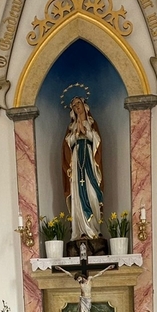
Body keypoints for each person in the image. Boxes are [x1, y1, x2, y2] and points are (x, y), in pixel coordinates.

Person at [63, 95, 103, 239]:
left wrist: (86, 132)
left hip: (89, 159)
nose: (77, 107)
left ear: (84, 105)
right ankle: (80, 230)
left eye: (78, 103)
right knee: (77, 193)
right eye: (74, 105)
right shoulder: (71, 127)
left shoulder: (91, 123)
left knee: (91, 191)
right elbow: (67, 144)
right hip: (76, 160)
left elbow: (97, 141)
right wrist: (76, 133)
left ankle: (94, 229)